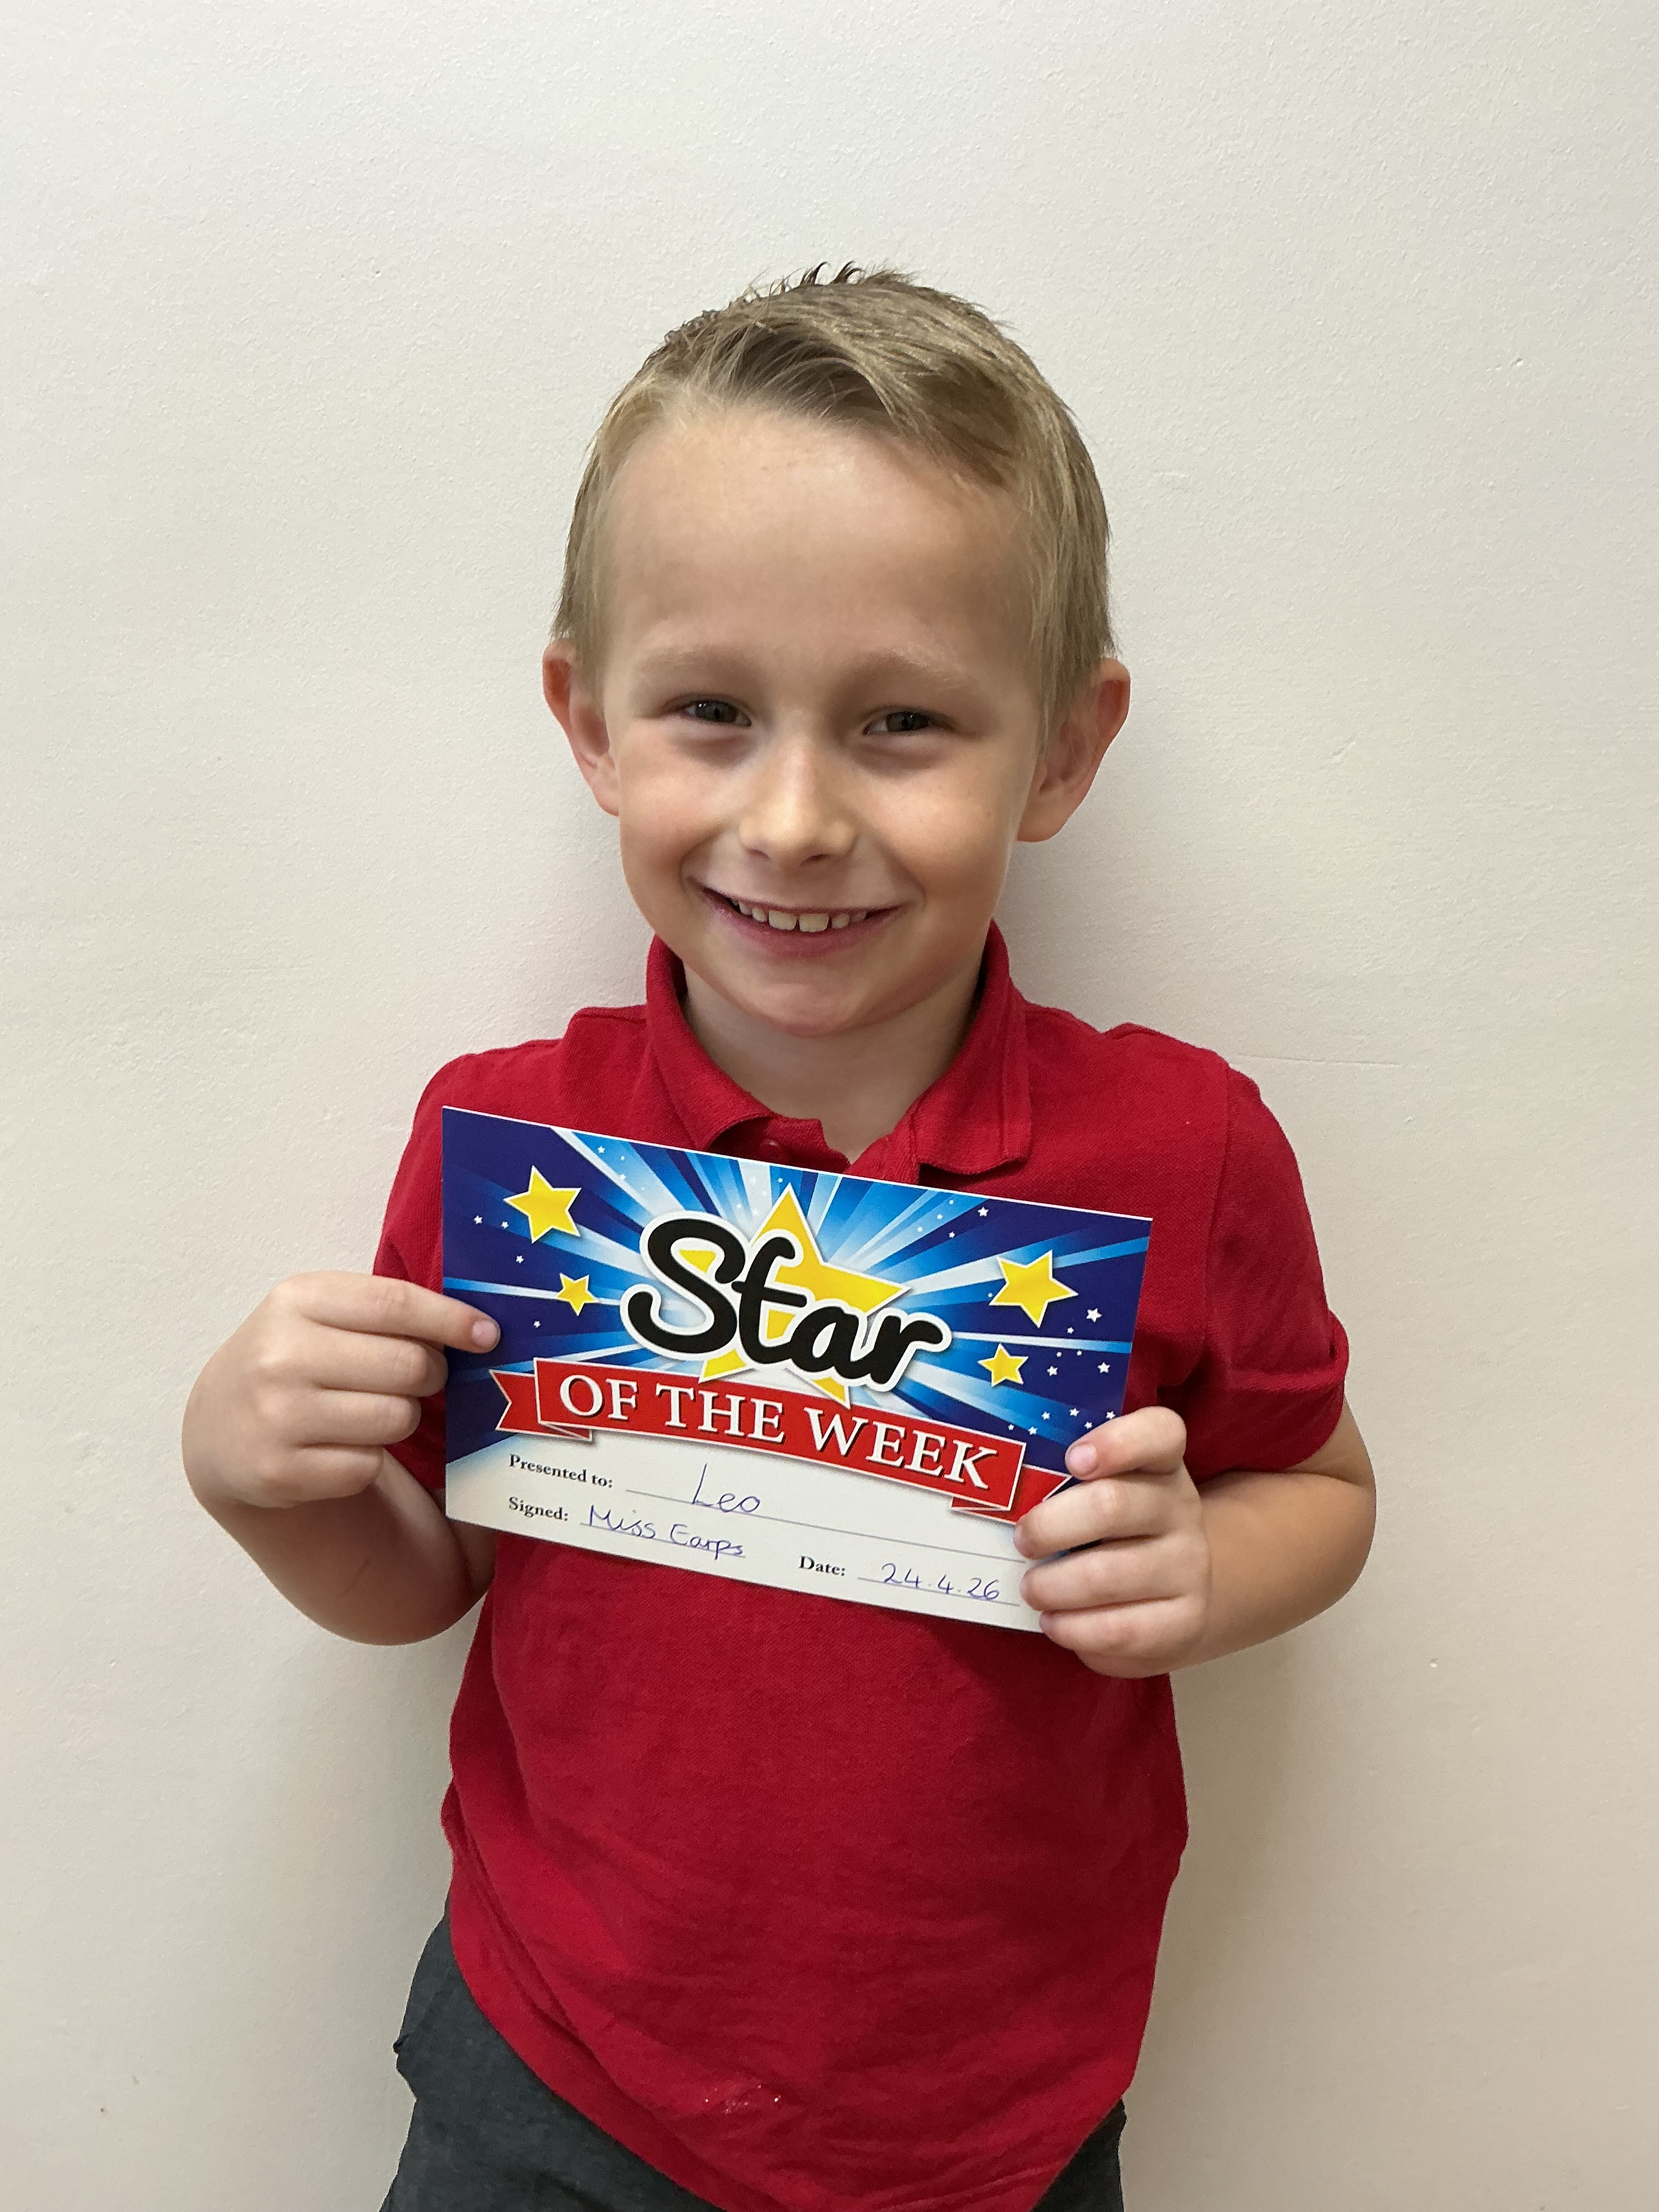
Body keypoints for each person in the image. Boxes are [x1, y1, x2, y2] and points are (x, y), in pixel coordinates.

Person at [182, 267, 1375, 2212]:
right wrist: (259, 1482)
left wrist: (1210, 1569)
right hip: (551, 2071)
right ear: (589, 722)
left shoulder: (1186, 1151)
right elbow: (428, 1580)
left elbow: (1321, 1485)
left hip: (989, 2117)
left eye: (902, 721)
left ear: (1063, 751)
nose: (798, 818)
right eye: (713, 712)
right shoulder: (510, 1142)